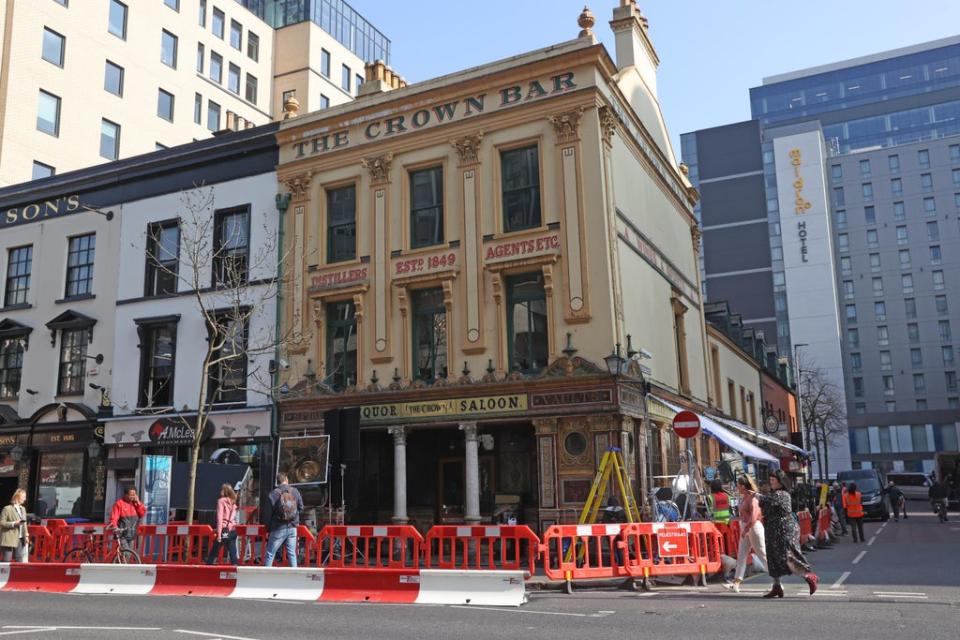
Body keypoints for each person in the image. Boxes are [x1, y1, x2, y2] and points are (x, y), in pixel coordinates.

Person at [748, 469, 817, 598]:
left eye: (773, 480)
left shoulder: (782, 494)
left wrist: (756, 495)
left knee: (787, 556)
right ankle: (776, 586)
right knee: (773, 558)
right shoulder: (774, 494)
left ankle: (808, 576)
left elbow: (768, 501)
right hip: (773, 530)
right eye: (770, 480)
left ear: (780, 482)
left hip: (785, 530)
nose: (771, 483)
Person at [727, 475, 767, 593]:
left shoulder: (752, 498)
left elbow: (754, 516)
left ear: (743, 486)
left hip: (753, 528)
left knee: (762, 555)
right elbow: (745, 515)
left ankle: (777, 581)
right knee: (741, 555)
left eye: (738, 485)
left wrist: (746, 529)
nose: (737, 487)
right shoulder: (744, 498)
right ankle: (736, 583)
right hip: (747, 527)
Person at [263, 472, 303, 567]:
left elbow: (267, 515)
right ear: (286, 480)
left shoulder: (273, 494)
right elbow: (301, 507)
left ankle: (265, 576)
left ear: (277, 482)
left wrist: (268, 529)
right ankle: (295, 576)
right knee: (292, 554)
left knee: (270, 553)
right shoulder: (295, 491)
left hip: (278, 528)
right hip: (292, 527)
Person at [205, 484, 239, 565]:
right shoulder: (233, 502)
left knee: (215, 549)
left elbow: (219, 519)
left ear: (225, 491)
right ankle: (235, 567)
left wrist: (219, 535)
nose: (220, 491)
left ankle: (208, 567)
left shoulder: (221, 501)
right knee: (232, 550)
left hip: (224, 530)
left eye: (221, 489)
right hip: (233, 529)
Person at [109, 487, 146, 551]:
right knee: (126, 553)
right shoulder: (119, 504)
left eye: (134, 495)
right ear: (125, 495)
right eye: (131, 495)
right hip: (122, 535)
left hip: (132, 534)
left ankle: (117, 560)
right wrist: (115, 527)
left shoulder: (135, 504)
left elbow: (142, 514)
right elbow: (113, 518)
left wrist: (138, 503)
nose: (133, 496)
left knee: (128, 556)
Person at [0, 489, 29, 562]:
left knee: (19, 560)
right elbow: (2, 522)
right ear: (17, 497)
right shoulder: (7, 509)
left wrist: (26, 535)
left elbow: (24, 524)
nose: (25, 499)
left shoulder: (23, 509)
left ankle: (18, 574)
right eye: (23, 497)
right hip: (8, 538)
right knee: (7, 560)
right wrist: (14, 523)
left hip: (20, 538)